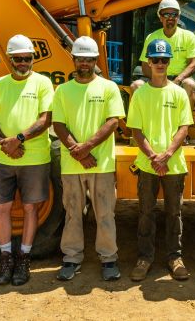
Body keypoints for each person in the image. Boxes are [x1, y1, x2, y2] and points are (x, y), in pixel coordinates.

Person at [52, 36, 126, 281]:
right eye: (80, 59)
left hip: (100, 162)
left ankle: (108, 258)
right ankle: (71, 257)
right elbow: (59, 124)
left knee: (105, 212)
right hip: (73, 162)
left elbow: (113, 121)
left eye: (89, 59)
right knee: (73, 212)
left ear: (96, 61)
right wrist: (78, 150)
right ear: (73, 60)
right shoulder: (63, 90)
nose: (84, 63)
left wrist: (87, 147)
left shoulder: (108, 88)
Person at [0, 35, 54, 286]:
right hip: (3, 157)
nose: (23, 63)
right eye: (18, 59)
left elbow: (46, 118)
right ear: (10, 59)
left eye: (28, 59)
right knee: (2, 208)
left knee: (30, 208)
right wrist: (5, 142)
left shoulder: (43, 83)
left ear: (33, 59)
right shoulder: (0, 85)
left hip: (34, 158)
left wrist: (19, 139)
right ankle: (6, 258)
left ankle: (23, 257)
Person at [126, 39, 194, 282]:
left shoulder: (178, 93)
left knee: (174, 213)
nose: (160, 64)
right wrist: (153, 156)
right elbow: (136, 130)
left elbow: (184, 128)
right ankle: (144, 258)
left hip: (173, 164)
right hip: (147, 164)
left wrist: (166, 155)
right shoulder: (141, 94)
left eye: (164, 60)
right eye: (156, 59)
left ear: (169, 62)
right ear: (149, 62)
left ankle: (175, 257)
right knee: (145, 212)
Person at [130, 0, 195, 106]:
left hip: (180, 78)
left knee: (189, 84)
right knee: (136, 85)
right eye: (166, 14)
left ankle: (185, 121)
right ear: (160, 17)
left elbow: (193, 63)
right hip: (156, 77)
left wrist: (178, 79)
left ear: (179, 16)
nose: (170, 18)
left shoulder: (188, 36)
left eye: (174, 14)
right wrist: (160, 80)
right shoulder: (152, 37)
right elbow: (145, 66)